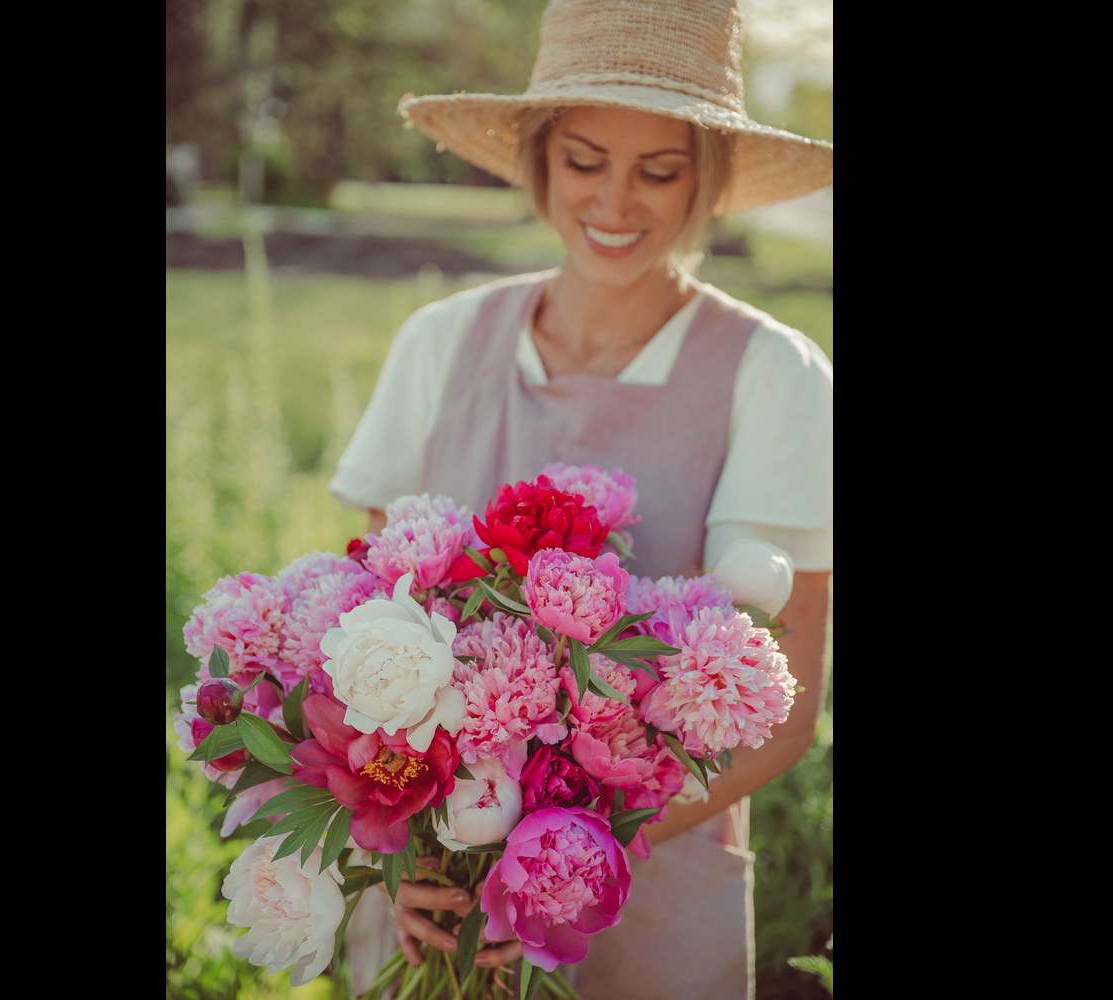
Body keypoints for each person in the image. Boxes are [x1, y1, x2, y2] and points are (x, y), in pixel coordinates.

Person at [326, 1, 832, 997]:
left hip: (650, 886)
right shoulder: (441, 343)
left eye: (660, 169)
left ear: (706, 178)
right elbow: (359, 645)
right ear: (542, 161)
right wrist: (420, 856)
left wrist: (552, 859)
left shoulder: (772, 375)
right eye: (586, 160)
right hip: (433, 885)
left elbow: (785, 710)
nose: (615, 202)